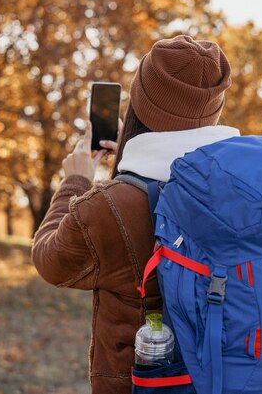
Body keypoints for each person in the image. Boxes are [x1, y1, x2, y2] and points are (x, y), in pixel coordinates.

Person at [31, 34, 238, 394]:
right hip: (225, 377)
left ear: (140, 106)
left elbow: (51, 260)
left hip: (141, 384)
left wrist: (76, 181)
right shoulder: (240, 188)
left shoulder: (112, 205)